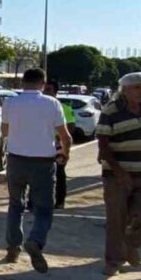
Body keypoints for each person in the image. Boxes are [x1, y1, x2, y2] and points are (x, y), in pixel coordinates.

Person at [0, 68, 71, 273]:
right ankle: (36, 240)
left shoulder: (10, 102)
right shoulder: (52, 104)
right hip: (43, 162)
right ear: (43, 83)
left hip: (16, 160)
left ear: (22, 82)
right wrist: (65, 155)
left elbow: (5, 132)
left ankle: (13, 248)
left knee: (15, 205)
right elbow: (65, 136)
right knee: (43, 208)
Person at [96, 73, 141, 276]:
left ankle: (131, 242)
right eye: (138, 88)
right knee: (117, 219)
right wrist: (118, 171)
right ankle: (113, 262)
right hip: (117, 175)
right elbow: (103, 145)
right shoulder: (111, 111)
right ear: (125, 90)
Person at [43, 80, 76, 209]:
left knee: (59, 172)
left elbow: (71, 127)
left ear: (55, 92)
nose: (46, 92)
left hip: (59, 145)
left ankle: (60, 201)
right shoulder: (40, 107)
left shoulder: (64, 108)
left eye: (49, 89)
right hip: (42, 144)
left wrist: (61, 141)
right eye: (44, 89)